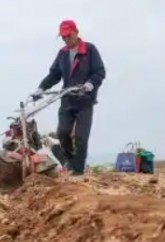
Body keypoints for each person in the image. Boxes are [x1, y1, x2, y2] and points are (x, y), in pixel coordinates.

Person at [33, 20, 105, 177]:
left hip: (84, 100)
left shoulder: (89, 50)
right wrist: (41, 88)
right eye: (63, 37)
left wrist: (90, 84)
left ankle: (78, 171)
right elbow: (54, 75)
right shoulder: (63, 53)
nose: (66, 39)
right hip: (67, 99)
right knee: (62, 133)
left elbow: (100, 72)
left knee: (81, 137)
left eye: (68, 35)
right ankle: (71, 161)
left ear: (76, 32)